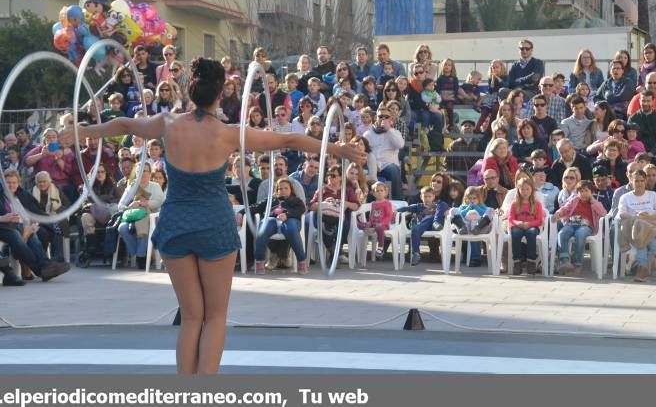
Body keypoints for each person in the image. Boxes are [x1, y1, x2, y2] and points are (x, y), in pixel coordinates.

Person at [61, 57, 362, 375]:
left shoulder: (168, 124)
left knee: (191, 318)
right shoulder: (229, 134)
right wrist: (337, 150)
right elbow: (287, 140)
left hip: (176, 224)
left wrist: (83, 131)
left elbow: (122, 124)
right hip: (214, 225)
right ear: (221, 95)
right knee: (215, 317)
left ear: (190, 91)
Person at [616, 169, 656, 283]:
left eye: (641, 181)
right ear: (631, 181)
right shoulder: (625, 197)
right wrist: (637, 216)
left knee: (641, 233)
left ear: (645, 181)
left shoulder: (653, 195)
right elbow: (621, 214)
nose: (639, 183)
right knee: (640, 228)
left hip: (652, 226)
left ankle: (643, 268)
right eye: (636, 181)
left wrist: (651, 217)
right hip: (632, 228)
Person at [250, 178, 307, 274]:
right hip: (273, 220)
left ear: (291, 190)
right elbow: (255, 207)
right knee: (263, 226)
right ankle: (259, 261)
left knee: (292, 228)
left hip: (290, 219)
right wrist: (241, 213)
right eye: (280, 189)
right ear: (276, 191)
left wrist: (287, 215)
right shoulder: (271, 200)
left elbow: (301, 210)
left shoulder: (296, 201)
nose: (283, 191)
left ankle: (301, 261)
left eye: (286, 188)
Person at [553, 180, 607, 275]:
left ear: (591, 192)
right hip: (571, 224)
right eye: (581, 191)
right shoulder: (574, 200)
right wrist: (558, 213)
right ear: (577, 193)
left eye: (586, 191)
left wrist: (592, 201)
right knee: (562, 233)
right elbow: (565, 208)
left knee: (580, 234)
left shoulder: (595, 202)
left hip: (586, 226)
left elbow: (603, 213)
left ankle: (577, 263)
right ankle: (564, 260)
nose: (584, 194)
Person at [397, 186, 449, 266]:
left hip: (435, 226)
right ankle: (416, 253)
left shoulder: (438, 206)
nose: (427, 199)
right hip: (422, 226)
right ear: (421, 197)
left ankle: (435, 223)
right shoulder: (418, 206)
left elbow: (446, 210)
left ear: (433, 197)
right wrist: (395, 211)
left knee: (439, 208)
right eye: (425, 196)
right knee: (416, 228)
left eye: (429, 196)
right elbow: (406, 208)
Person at [362, 106, 405, 200]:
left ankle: (398, 201)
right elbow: (363, 151)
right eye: (381, 116)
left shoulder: (395, 132)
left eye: (386, 117)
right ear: (375, 118)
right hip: (372, 166)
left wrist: (388, 130)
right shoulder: (368, 134)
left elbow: (400, 145)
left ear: (391, 119)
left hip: (388, 165)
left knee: (393, 169)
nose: (383, 119)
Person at [507, 176, 544, 275]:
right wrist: (519, 223)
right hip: (517, 226)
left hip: (531, 226)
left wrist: (529, 224)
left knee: (531, 233)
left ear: (532, 189)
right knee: (515, 233)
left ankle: (531, 262)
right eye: (522, 189)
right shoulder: (514, 204)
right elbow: (511, 219)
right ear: (518, 190)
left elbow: (540, 220)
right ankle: (517, 262)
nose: (525, 192)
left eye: (527, 189)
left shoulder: (537, 204)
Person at [628, 91, 656, 167]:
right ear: (639, 101)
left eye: (648, 101)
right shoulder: (633, 118)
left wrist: (651, 153)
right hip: (636, 152)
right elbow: (630, 138)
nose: (645, 103)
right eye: (643, 101)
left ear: (653, 101)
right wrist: (641, 153)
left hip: (655, 152)